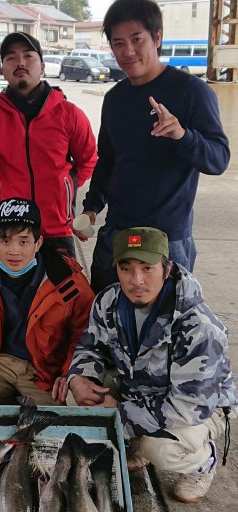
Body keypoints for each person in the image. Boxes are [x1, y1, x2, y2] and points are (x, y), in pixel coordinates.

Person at [57, 227, 237, 503]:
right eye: (126, 268)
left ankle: (202, 463)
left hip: (198, 408)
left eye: (147, 268)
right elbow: (90, 347)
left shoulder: (197, 326)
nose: (136, 280)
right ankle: (138, 443)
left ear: (166, 269)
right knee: (74, 396)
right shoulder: (108, 301)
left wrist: (120, 413)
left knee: (162, 449)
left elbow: (188, 406)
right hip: (140, 390)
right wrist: (80, 377)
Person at [81, 0, 230, 293]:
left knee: (166, 327)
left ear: (157, 37)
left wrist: (182, 136)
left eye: (137, 40)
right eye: (118, 43)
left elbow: (219, 158)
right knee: (104, 318)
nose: (128, 51)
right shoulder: (114, 99)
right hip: (117, 231)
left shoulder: (191, 91)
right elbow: (109, 161)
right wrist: (91, 207)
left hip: (168, 238)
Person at [0, 32, 98, 259]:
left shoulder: (70, 114)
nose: (20, 63)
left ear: (43, 66)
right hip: (9, 231)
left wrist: (67, 189)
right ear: (3, 69)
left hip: (56, 230)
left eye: (28, 56)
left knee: (64, 294)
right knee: (8, 295)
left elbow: (88, 159)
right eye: (11, 58)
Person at [0, 197, 95, 406]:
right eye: (5, 241)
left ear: (38, 243)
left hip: (46, 369)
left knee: (70, 410)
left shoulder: (69, 280)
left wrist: (71, 372)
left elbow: (83, 332)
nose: (14, 251)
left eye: (23, 241)